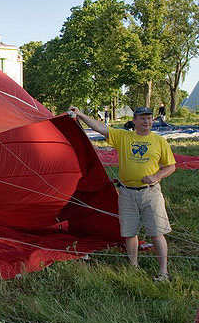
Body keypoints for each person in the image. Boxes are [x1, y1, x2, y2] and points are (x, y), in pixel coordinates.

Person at [69, 106, 176, 282]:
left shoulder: (159, 141)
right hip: (127, 193)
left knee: (157, 232)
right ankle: (133, 266)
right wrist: (80, 114)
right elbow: (100, 128)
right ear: (134, 120)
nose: (146, 121)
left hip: (151, 193)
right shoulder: (124, 137)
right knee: (129, 232)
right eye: (142, 118)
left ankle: (163, 272)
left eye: (149, 118)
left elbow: (171, 166)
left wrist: (156, 176)